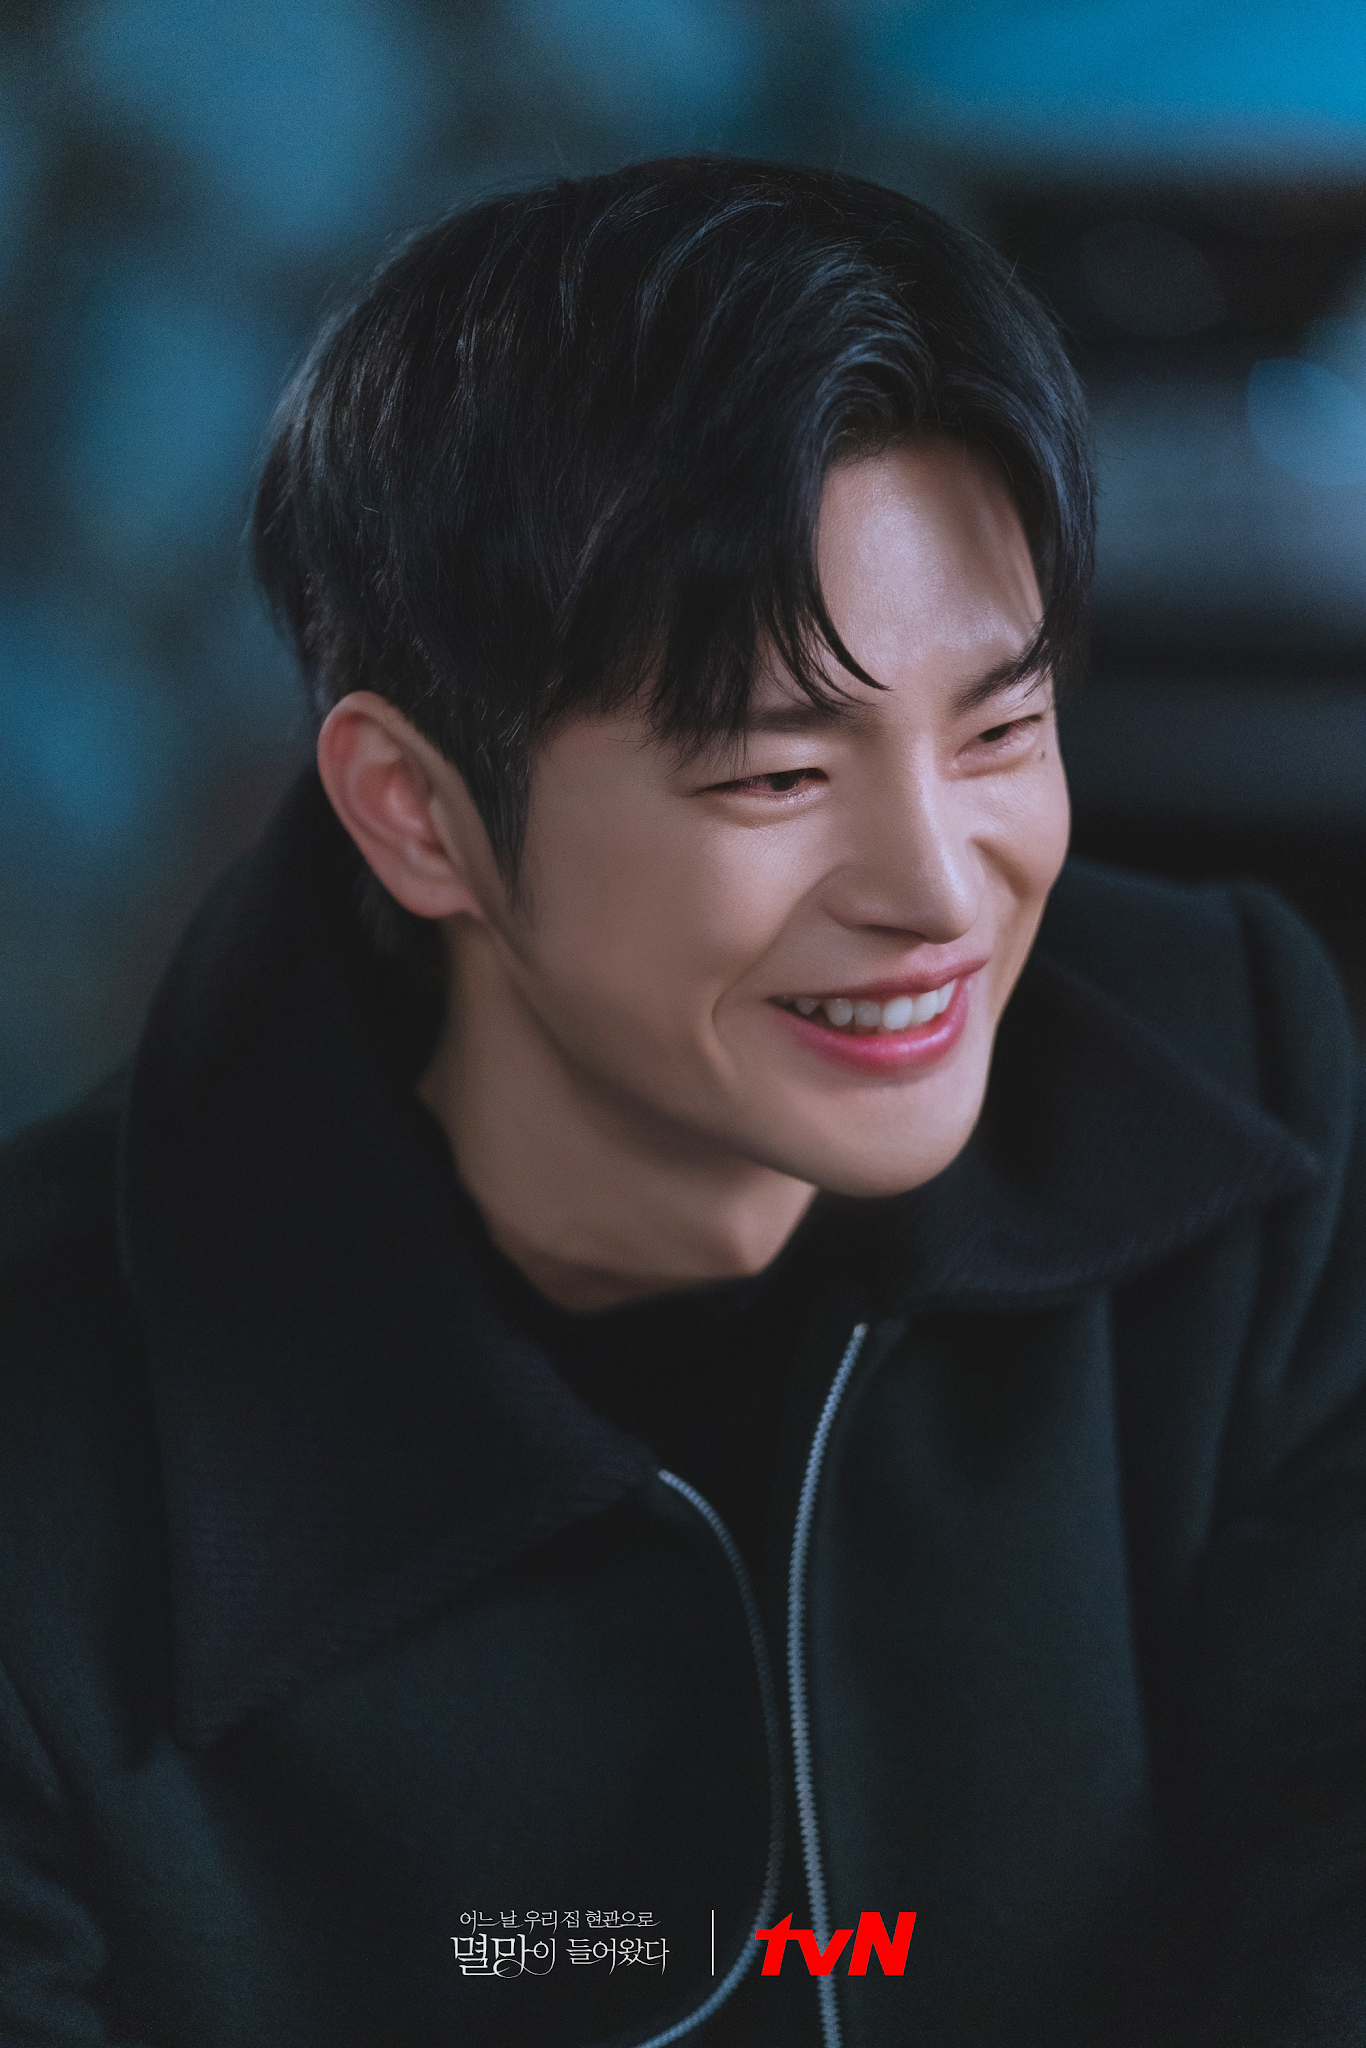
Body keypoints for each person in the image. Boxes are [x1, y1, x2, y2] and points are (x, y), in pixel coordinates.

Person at [1, 155, 1363, 2048]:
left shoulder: (1246, 1099)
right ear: (416, 812)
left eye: (1001, 729)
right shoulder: (48, 1452)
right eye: (773, 777)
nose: (938, 891)